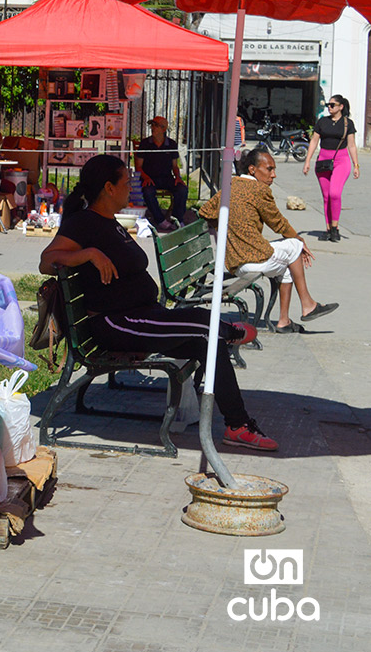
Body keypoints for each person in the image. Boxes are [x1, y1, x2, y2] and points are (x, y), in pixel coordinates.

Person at [39, 154, 277, 451]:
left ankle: (237, 425)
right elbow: (47, 261)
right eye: (127, 182)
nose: (132, 187)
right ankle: (229, 332)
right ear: (109, 188)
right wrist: (88, 254)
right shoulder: (84, 223)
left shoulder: (109, 222)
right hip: (118, 323)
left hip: (143, 314)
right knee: (209, 330)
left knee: (207, 340)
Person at [200, 147, 338, 334]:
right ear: (252, 170)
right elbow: (278, 223)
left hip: (235, 262)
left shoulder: (231, 184)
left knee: (290, 263)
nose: (273, 175)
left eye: (274, 169)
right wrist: (300, 240)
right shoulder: (259, 189)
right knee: (294, 246)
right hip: (253, 260)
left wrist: (228, 227)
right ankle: (308, 304)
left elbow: (205, 211)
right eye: (269, 169)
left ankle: (284, 321)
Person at [303, 94, 360, 242]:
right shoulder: (322, 121)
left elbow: (352, 145)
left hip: (341, 160)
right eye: (328, 104)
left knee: (335, 193)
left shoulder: (348, 123)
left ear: (341, 107)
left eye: (332, 105)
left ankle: (335, 228)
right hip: (323, 160)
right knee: (327, 196)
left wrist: (356, 165)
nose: (329, 107)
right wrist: (307, 161)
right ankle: (328, 229)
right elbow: (314, 141)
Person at [136, 115, 188, 232]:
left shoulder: (172, 144)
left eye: (155, 125)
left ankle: (177, 218)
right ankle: (160, 220)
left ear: (164, 129)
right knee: (148, 191)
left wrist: (178, 177)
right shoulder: (145, 143)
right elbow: (138, 166)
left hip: (166, 178)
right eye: (152, 125)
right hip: (149, 178)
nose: (152, 128)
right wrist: (146, 177)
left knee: (182, 189)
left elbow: (175, 166)